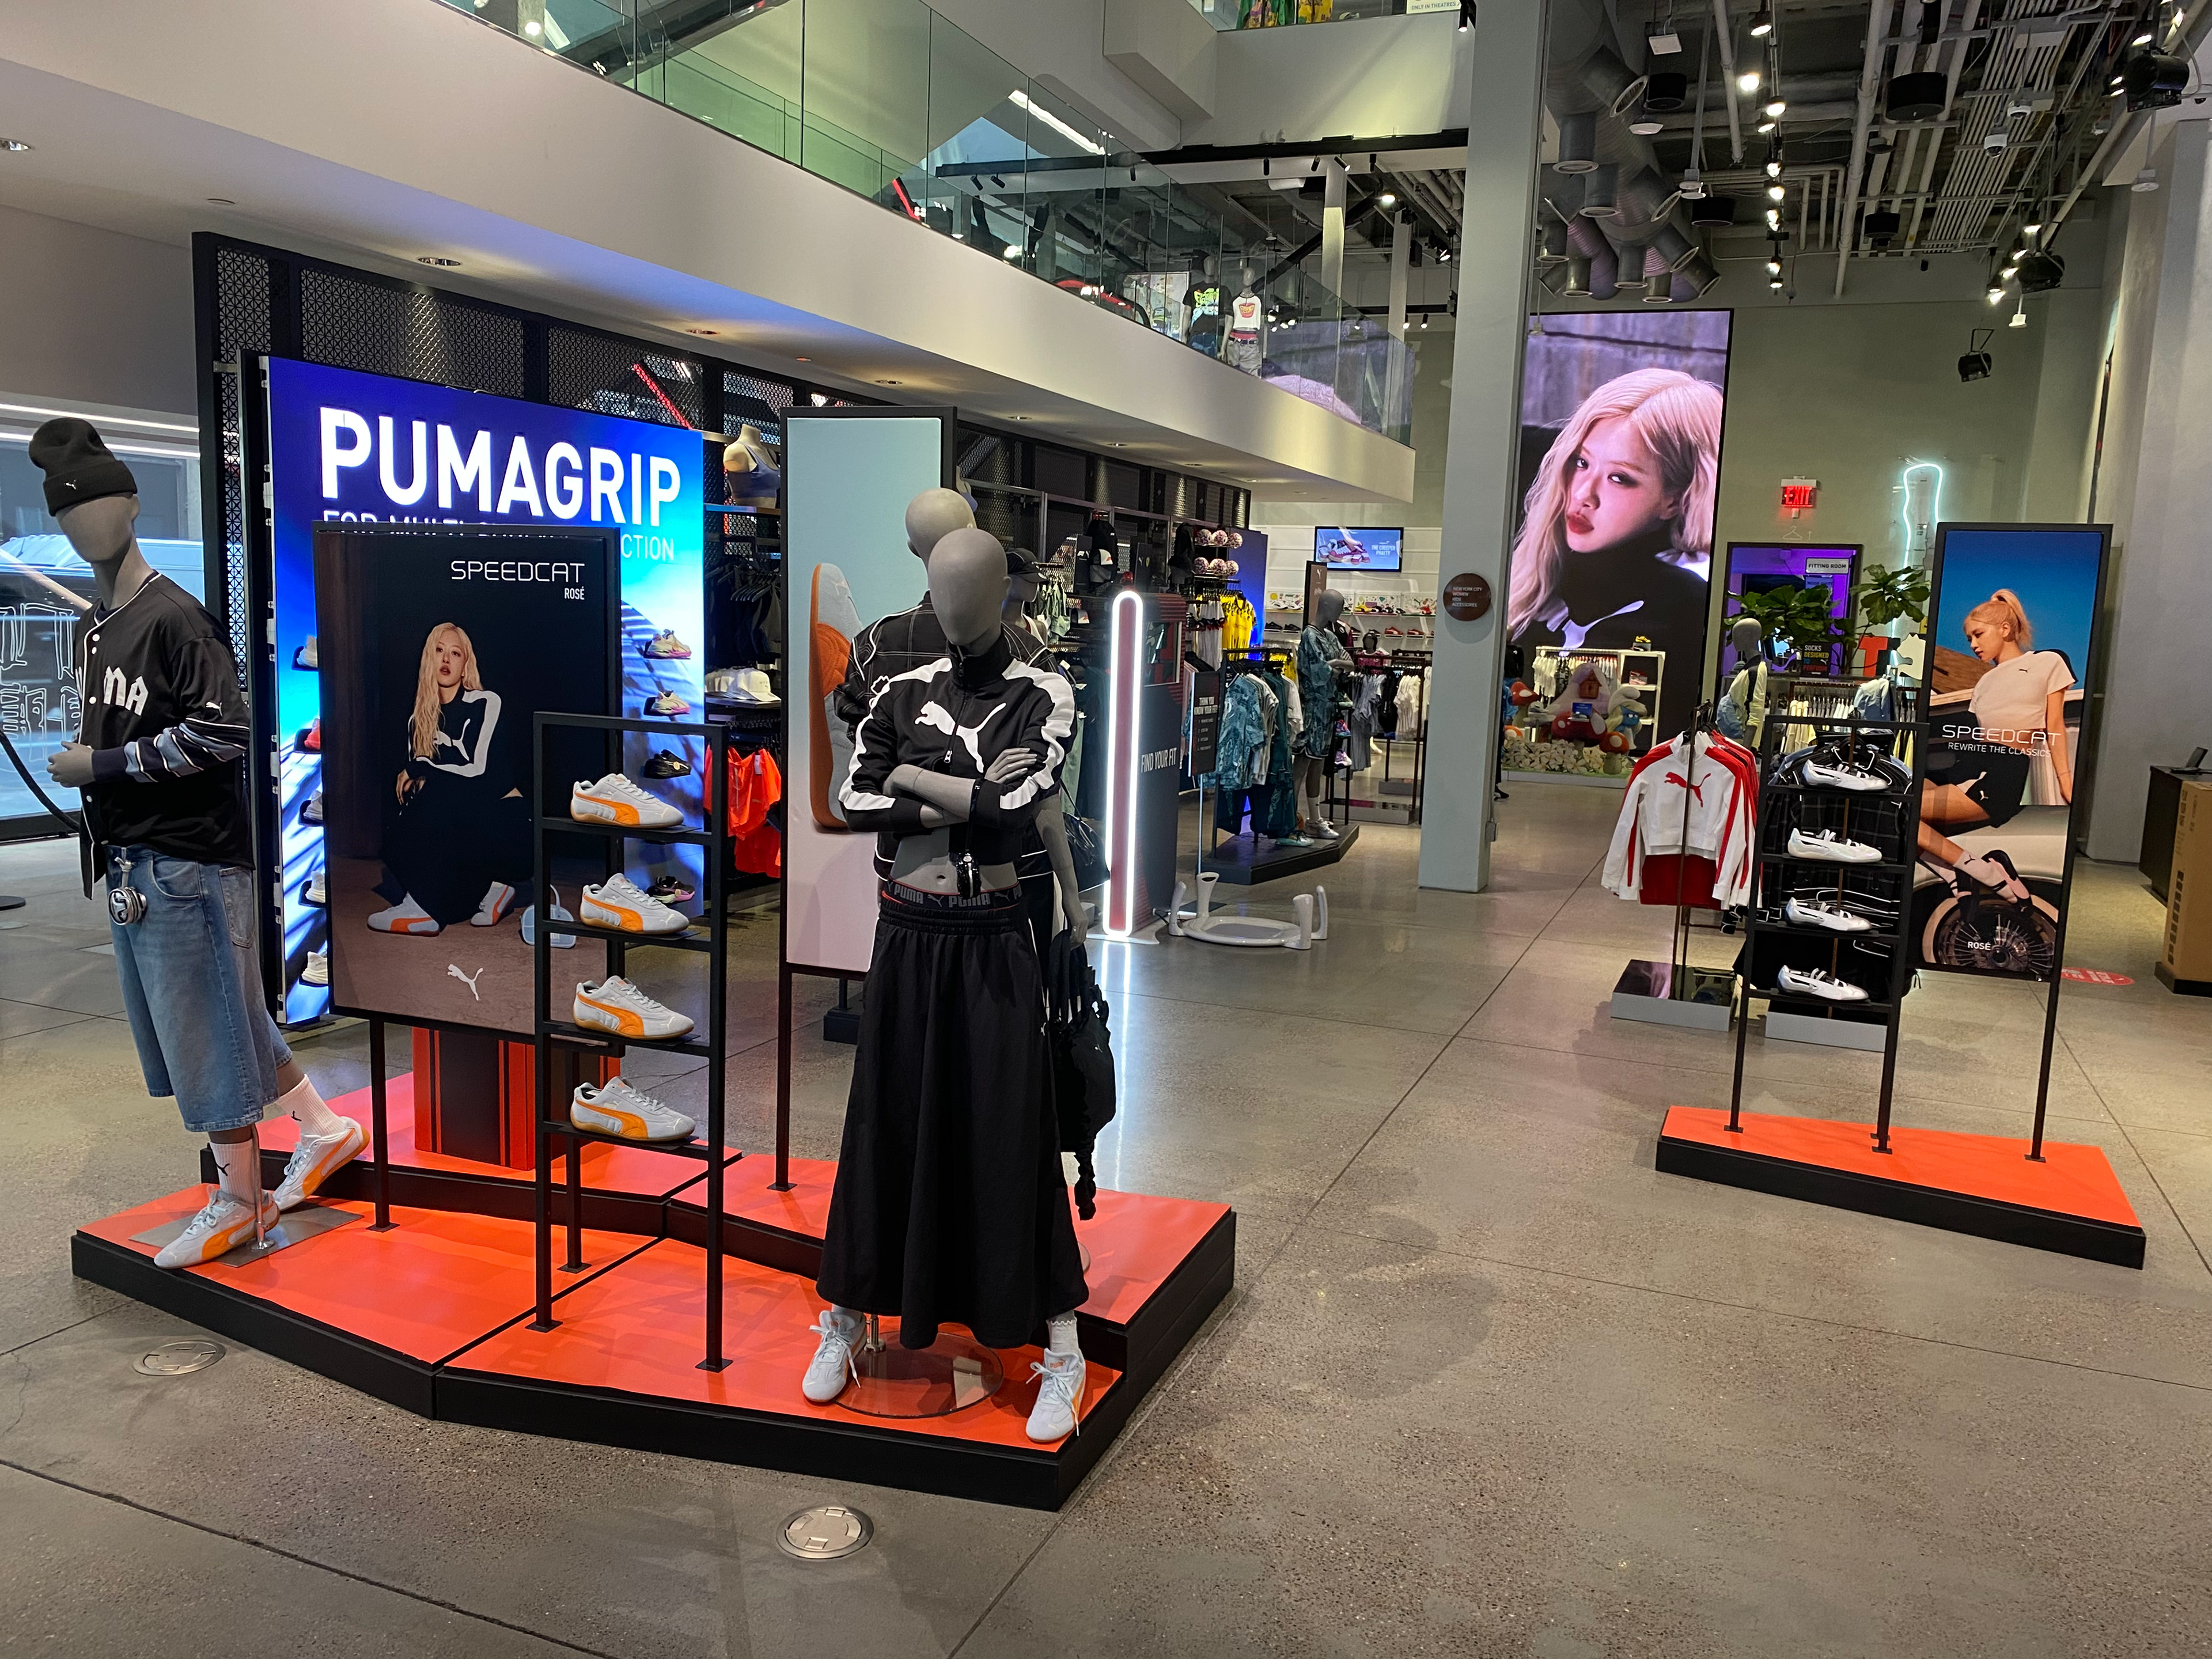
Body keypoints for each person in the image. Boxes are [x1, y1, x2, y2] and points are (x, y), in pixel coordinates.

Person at [33, 419, 362, 1267]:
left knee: (205, 1033)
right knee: (225, 1014)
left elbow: (223, 734)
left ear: (133, 506)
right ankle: (321, 1127)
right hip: (140, 856)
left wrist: (102, 764)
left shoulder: (177, 619)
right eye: (68, 512)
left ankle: (241, 1201)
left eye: (98, 505)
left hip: (188, 858)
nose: (84, 525)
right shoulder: (99, 626)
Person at [805, 528, 1090, 1444]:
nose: (954, 606)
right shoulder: (901, 687)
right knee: (882, 1123)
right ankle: (847, 1313)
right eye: (941, 588)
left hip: (994, 937)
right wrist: (957, 785)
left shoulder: (1043, 692)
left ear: (1002, 590)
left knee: (1013, 1131)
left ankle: (1062, 1343)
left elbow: (1018, 805)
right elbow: (855, 797)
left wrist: (915, 777)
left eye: (971, 589)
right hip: (909, 932)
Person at [1507, 369, 1722, 738]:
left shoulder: (1687, 611)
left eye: (1620, 478)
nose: (1584, 495)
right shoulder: (1530, 578)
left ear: (1673, 500)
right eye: (1581, 462)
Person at [366, 622, 533, 935]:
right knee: (398, 829)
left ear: (465, 664)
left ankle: (424, 909)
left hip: (509, 826)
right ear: (428, 659)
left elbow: (479, 773)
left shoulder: (485, 702)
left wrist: (421, 767)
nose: (446, 659)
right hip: (464, 830)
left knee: (437, 793)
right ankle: (491, 890)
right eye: (439, 651)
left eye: (455, 653)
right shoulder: (418, 721)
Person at [1916, 589, 2074, 902]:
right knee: (1889, 799)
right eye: (1968, 639)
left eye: (1978, 634)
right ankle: (1967, 871)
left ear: (2004, 629)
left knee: (1899, 809)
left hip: (2002, 772)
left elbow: (2055, 725)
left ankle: (1977, 872)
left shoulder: (2047, 660)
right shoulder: (1984, 682)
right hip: (1972, 765)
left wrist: (2065, 781)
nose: (1973, 645)